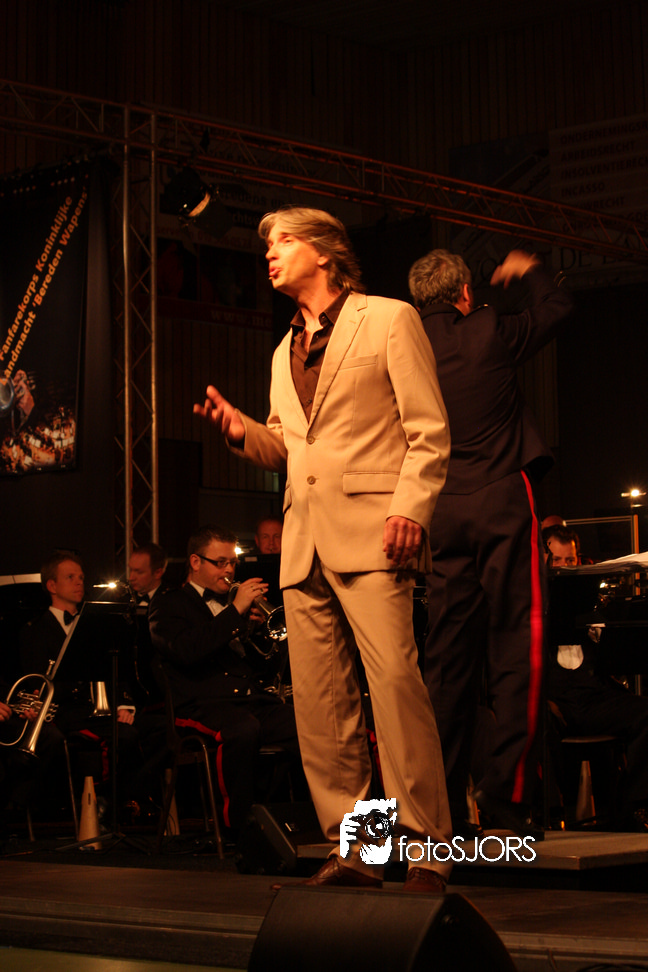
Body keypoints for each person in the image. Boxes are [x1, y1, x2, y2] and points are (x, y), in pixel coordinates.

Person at [194, 206, 452, 892]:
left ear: (326, 252)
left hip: (375, 533)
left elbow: (428, 430)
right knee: (323, 709)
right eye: (268, 245)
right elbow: (286, 445)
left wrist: (410, 507)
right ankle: (361, 851)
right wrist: (240, 430)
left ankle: (427, 851)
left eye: (282, 241)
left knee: (395, 693)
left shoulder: (389, 318)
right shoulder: (283, 350)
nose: (269, 254)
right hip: (303, 543)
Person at [408, 247, 573, 840]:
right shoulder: (488, 330)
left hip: (439, 510)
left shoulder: (406, 347)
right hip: (502, 499)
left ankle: (440, 809)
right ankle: (507, 802)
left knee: (446, 662)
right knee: (517, 647)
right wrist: (528, 270)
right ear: (464, 294)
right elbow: (557, 307)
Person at [148, 524, 301, 832]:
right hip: (200, 705)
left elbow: (261, 667)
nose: (229, 570)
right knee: (242, 730)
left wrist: (257, 631)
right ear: (195, 562)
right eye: (220, 563)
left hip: (248, 701)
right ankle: (238, 828)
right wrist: (234, 613)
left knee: (307, 723)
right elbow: (186, 651)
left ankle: (290, 819)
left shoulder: (232, 609)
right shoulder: (168, 603)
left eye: (232, 562)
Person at [20, 550, 143, 811]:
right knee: (119, 737)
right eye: (70, 577)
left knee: (137, 732)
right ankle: (96, 805)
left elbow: (116, 663)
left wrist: (123, 703)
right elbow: (36, 680)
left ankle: (123, 803)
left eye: (81, 577)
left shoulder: (94, 623)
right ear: (52, 586)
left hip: (98, 712)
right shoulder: (35, 632)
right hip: (66, 713)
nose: (79, 582)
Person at [545, 528, 648, 831]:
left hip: (592, 700)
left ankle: (633, 807)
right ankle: (551, 813)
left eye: (570, 560)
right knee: (538, 722)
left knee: (645, 712)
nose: (564, 567)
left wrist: (604, 631)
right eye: (556, 560)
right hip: (555, 703)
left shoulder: (593, 607)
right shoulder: (531, 609)